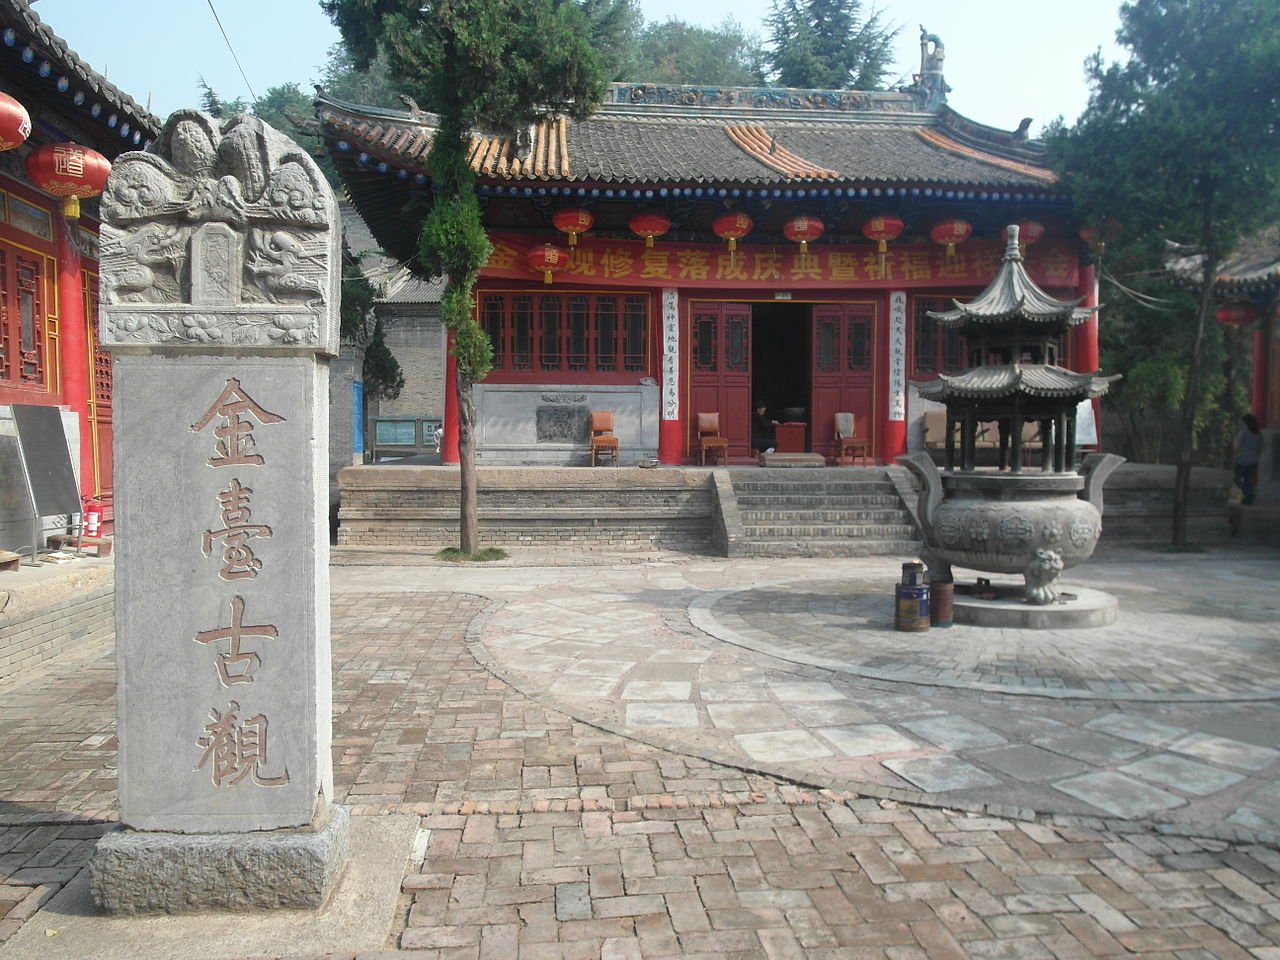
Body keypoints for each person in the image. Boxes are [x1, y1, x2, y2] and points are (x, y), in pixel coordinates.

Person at [1234, 413, 1262, 505]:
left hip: (1243, 459)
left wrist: (1235, 456)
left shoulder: (1243, 432)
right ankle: (1247, 499)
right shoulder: (1258, 433)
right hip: (1254, 459)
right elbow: (1260, 448)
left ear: (1245, 422)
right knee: (1248, 480)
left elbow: (1238, 446)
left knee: (1237, 479)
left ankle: (1249, 493)